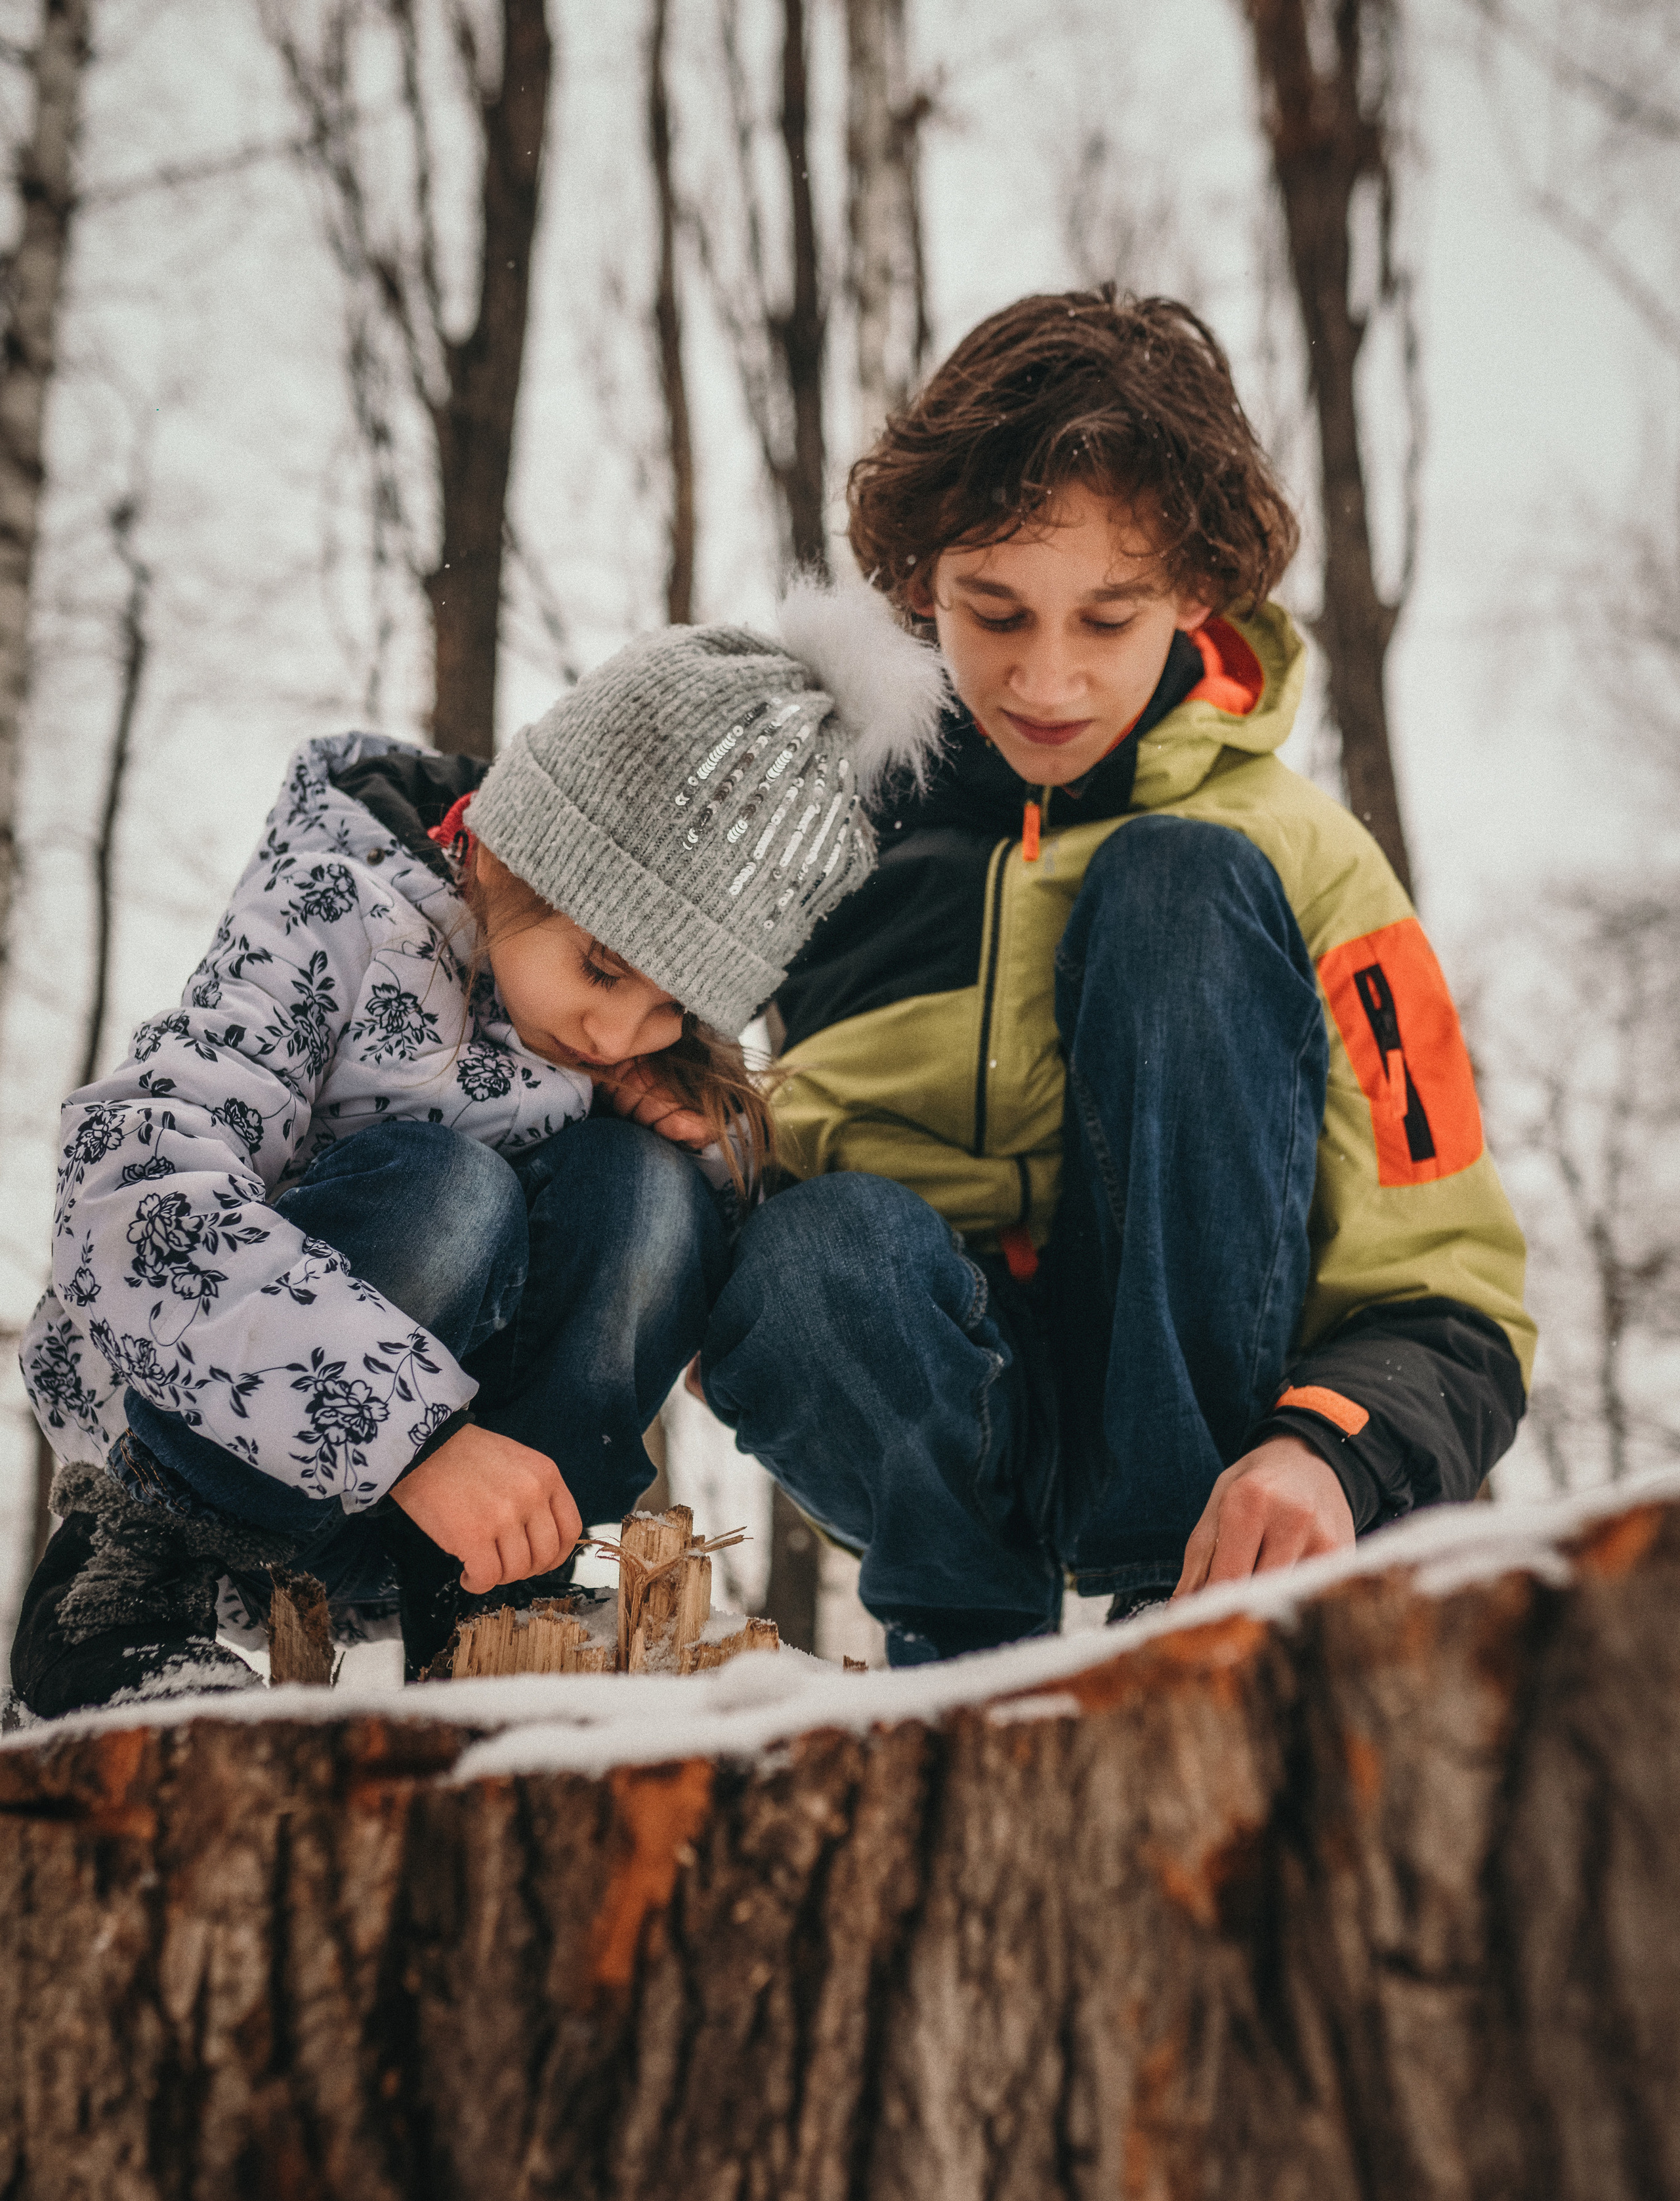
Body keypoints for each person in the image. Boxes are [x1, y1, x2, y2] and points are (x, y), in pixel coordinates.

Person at [700, 289, 1536, 1665]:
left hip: (1219, 1458)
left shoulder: (1304, 860)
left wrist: (1325, 1452)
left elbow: (1457, 1300)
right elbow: (604, 1036)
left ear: (1193, 592)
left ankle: (1169, 1608)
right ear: (919, 581)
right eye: (995, 611)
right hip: (941, 1414)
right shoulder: (812, 825)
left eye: (1105, 617)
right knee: (807, 1246)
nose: (1044, 677)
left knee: (1177, 881)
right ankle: (966, 1657)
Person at [12, 587, 946, 1717]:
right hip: (205, 1460)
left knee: (645, 1195)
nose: (617, 1033)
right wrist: (409, 1442)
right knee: (450, 1189)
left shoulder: (628, 1066)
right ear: (509, 853)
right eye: (604, 969)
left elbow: (687, 1313)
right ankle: (116, 1606)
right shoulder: (336, 918)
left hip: (429, 1532)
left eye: (674, 1009)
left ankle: (498, 1615)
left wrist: (703, 1169)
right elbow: (129, 1189)